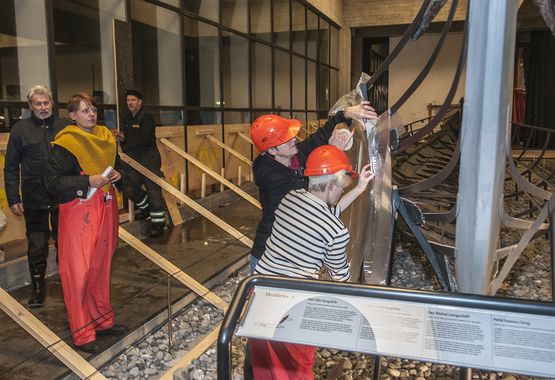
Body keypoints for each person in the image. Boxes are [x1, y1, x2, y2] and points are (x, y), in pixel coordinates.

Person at [250, 145, 375, 379]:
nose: (340, 192)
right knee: (296, 372)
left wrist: (359, 188)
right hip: (291, 313)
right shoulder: (336, 232)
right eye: (341, 187)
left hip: (259, 300)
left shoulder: (290, 199)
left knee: (266, 372)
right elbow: (340, 279)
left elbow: (324, 213)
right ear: (330, 185)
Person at [249, 102, 377, 272]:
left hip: (295, 255)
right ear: (272, 151)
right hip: (272, 259)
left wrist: (346, 114)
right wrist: (333, 152)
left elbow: (319, 137)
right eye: (286, 140)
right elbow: (316, 189)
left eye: (291, 135)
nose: (294, 139)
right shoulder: (271, 177)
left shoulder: (294, 155)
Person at [45, 93, 127, 353]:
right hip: (78, 213)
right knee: (77, 274)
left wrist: (118, 175)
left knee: (101, 269)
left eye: (92, 109)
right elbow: (52, 183)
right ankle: (82, 333)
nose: (90, 114)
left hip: (106, 208)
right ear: (72, 115)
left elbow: (119, 168)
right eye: (83, 110)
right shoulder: (65, 144)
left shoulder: (106, 138)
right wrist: (86, 181)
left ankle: (102, 320)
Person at [4, 85, 71, 308]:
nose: (42, 107)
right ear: (30, 106)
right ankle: (38, 288)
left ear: (52, 103)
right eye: (37, 104)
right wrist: (13, 197)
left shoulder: (65, 127)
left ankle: (69, 284)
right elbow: (11, 167)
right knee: (37, 245)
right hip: (34, 198)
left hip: (63, 196)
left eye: (46, 103)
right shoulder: (20, 130)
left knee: (66, 243)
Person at [114, 89, 166, 238]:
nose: (130, 103)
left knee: (153, 190)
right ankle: (146, 209)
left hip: (149, 159)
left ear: (140, 102)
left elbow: (143, 139)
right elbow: (129, 138)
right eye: (128, 100)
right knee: (127, 186)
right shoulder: (126, 118)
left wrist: (126, 146)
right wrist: (121, 137)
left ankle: (158, 224)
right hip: (133, 160)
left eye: (133, 100)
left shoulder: (147, 117)